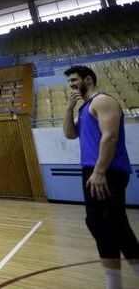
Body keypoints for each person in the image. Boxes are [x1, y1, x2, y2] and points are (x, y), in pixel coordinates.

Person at [63, 65, 139, 288]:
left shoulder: (102, 101)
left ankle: (113, 285)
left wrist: (99, 171)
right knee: (116, 226)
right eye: (70, 82)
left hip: (106, 171)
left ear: (88, 80)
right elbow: (69, 134)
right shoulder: (85, 108)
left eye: (75, 80)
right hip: (94, 171)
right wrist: (69, 108)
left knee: (101, 223)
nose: (72, 85)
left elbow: (110, 137)